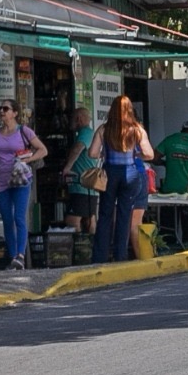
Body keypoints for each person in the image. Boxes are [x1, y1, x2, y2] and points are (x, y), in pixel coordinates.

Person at [0, 101, 47, 270]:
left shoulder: (23, 131)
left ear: (15, 113)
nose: (2, 112)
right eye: (0, 109)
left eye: (6, 109)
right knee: (7, 219)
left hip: (21, 178)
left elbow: (42, 150)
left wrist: (27, 159)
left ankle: (20, 255)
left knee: (19, 217)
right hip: (2, 181)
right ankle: (12, 256)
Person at [92, 96, 154, 263]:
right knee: (125, 214)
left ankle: (100, 257)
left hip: (110, 172)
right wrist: (135, 154)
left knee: (105, 214)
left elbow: (92, 153)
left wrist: (105, 153)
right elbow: (150, 154)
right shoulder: (137, 130)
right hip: (131, 173)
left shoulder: (104, 129)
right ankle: (121, 256)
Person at [63, 112, 101, 244]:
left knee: (72, 220)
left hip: (82, 185)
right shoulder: (91, 133)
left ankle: (80, 249)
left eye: (72, 119)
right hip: (88, 185)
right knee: (90, 219)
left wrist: (67, 167)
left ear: (79, 119)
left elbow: (78, 148)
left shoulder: (85, 133)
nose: (70, 123)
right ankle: (90, 248)